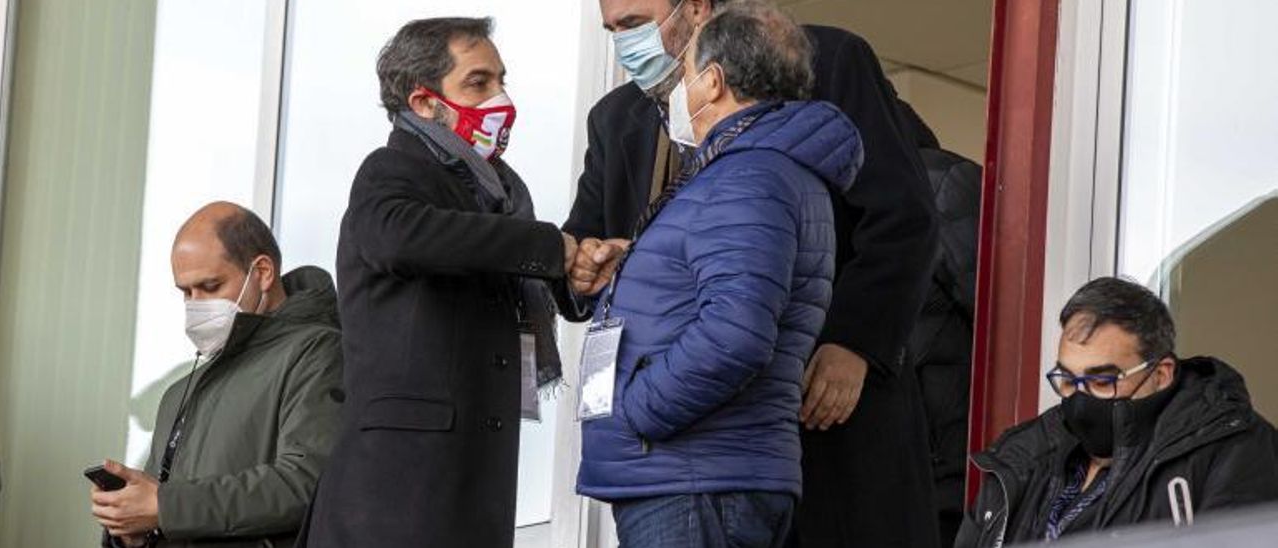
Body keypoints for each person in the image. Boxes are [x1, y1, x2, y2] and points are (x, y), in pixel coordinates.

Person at [568, 1, 940, 546]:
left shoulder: (823, 59)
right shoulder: (615, 117)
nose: (625, 44)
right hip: (680, 456)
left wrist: (855, 343)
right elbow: (588, 246)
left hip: (822, 416)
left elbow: (903, 217)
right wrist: (587, 266)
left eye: (634, 24)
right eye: (613, 30)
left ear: (694, 8)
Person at [299, 18, 596, 547]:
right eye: (478, 83)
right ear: (423, 101)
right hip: (397, 496)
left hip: (470, 491)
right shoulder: (391, 169)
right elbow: (401, 237)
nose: (500, 98)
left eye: (502, 80)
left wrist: (578, 268)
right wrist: (547, 247)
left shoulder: (497, 197)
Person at [89, 202, 344, 547]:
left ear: (263, 272)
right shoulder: (180, 391)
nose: (195, 305)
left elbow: (307, 483)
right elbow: (160, 513)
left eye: (210, 286)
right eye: (185, 292)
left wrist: (166, 507)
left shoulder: (317, 352)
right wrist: (131, 528)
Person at [957, 277, 1278, 547]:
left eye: (1101, 381)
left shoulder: (1234, 454)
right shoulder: (1022, 457)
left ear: (1160, 374)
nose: (1080, 400)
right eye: (1068, 380)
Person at [898, 99, 983, 548]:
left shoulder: (942, 186)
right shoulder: (841, 197)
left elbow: (996, 327)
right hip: (895, 465)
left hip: (939, 467)